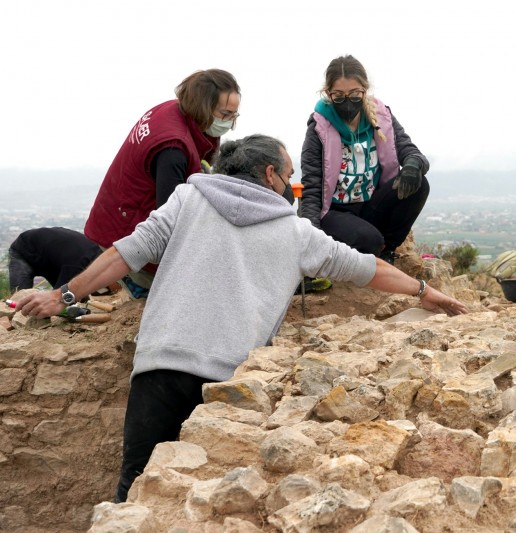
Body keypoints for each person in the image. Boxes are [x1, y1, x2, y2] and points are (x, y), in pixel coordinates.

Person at [17, 134, 467, 503]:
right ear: (269, 174)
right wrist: (424, 292)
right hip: (229, 385)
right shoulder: (294, 231)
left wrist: (64, 296)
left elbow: (125, 252)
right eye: (289, 176)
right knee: (212, 499)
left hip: (159, 366)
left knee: (135, 489)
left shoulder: (187, 199)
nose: (291, 187)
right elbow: (366, 267)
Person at [84, 69, 241, 292]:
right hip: (128, 233)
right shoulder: (173, 147)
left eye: (234, 115)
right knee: (160, 299)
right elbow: (170, 219)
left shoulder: (176, 110)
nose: (229, 121)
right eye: (225, 114)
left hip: (118, 215)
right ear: (203, 107)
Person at [300, 55, 429, 265]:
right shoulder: (319, 128)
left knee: (420, 184)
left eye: (354, 94)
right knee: (369, 241)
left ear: (364, 90)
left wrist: (414, 164)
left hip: (371, 205)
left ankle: (387, 249)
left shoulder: (381, 117)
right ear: (328, 94)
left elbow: (409, 150)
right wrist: (311, 238)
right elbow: (312, 186)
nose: (347, 101)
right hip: (334, 212)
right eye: (339, 96)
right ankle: (375, 247)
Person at [7, 227, 104, 293]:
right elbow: (58, 295)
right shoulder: (76, 264)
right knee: (19, 298)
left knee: (71, 293)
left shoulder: (95, 252)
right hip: (24, 251)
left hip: (50, 259)